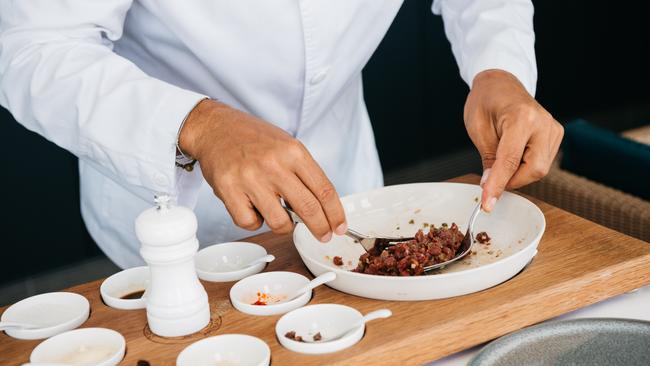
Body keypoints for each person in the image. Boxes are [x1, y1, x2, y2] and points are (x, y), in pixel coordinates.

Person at [0, 0, 563, 269]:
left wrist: (499, 69)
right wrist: (198, 123)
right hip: (174, 199)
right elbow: (32, 48)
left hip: (342, 169)